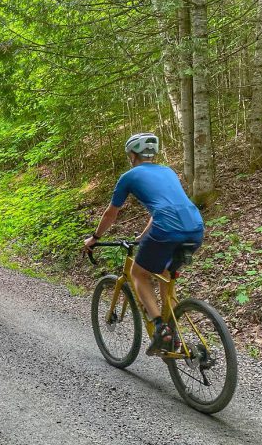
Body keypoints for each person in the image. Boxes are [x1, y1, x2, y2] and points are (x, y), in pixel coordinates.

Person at [83, 133, 204, 354]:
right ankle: (173, 332)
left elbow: (111, 214)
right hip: (195, 228)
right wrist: (142, 237)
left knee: (138, 273)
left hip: (167, 229)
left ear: (132, 154)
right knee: (166, 274)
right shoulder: (168, 171)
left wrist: (95, 237)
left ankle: (161, 328)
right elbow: (165, 206)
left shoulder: (129, 176)